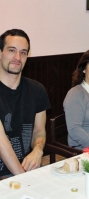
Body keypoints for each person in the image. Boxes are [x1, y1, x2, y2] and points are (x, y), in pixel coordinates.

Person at [0, 29, 51, 179]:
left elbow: (39, 131)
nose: (18, 57)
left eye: (23, 52)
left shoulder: (37, 89)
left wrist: (38, 150)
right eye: (11, 50)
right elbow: (1, 143)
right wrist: (24, 180)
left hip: (28, 169)